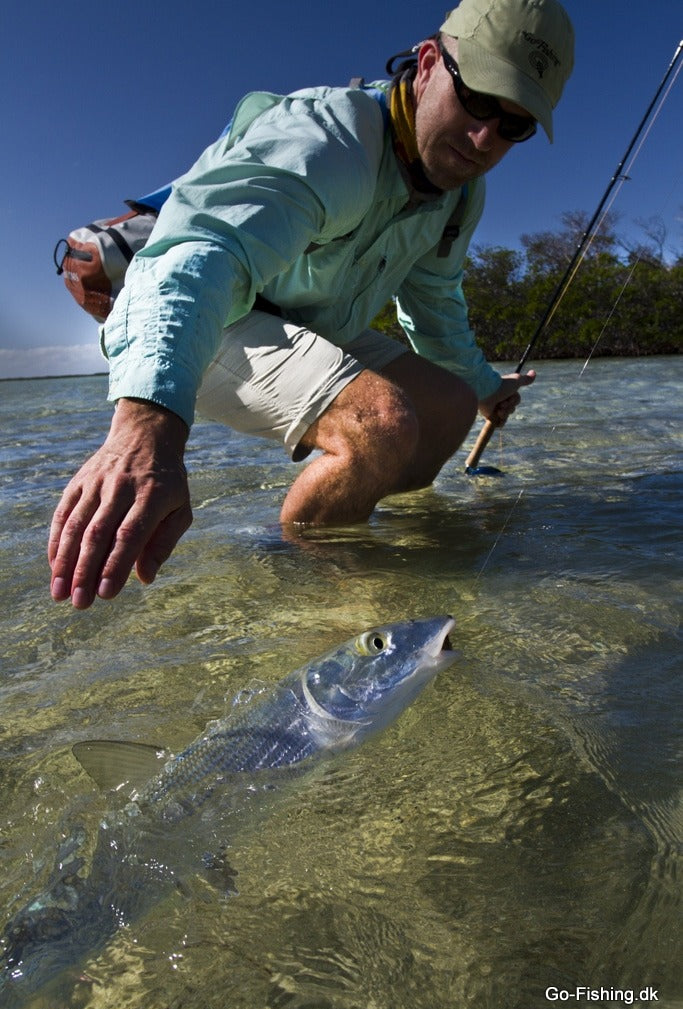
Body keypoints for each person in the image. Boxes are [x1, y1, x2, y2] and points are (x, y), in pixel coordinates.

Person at [49, 0, 575, 610]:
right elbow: (201, 253)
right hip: (206, 307)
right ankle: (310, 600)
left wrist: (484, 386)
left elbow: (435, 310)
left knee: (450, 404)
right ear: (429, 63)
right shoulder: (329, 139)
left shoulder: (459, 199)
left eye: (515, 125)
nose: (486, 137)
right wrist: (147, 426)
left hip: (311, 322)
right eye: (479, 100)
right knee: (379, 421)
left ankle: (367, 551)